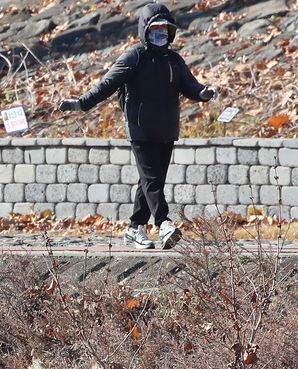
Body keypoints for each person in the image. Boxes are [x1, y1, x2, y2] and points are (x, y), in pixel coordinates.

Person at [59, 3, 216, 249]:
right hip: (141, 129)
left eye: (165, 31)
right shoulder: (135, 57)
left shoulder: (173, 60)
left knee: (150, 182)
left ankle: (135, 229)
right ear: (145, 31)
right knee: (152, 179)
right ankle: (163, 223)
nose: (160, 35)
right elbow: (107, 84)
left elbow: (190, 85)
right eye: (155, 30)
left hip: (166, 129)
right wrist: (81, 104)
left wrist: (203, 93)